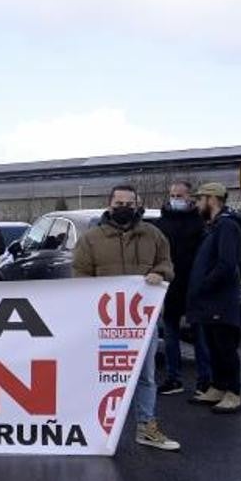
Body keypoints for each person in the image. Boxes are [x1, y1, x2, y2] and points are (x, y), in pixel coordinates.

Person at [72, 184, 179, 451]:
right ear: (110, 205)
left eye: (129, 204)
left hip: (143, 323)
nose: (124, 208)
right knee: (100, 376)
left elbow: (167, 265)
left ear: (137, 205)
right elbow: (79, 275)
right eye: (119, 203)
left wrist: (160, 273)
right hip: (103, 324)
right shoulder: (90, 239)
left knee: (145, 376)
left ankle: (146, 426)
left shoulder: (153, 235)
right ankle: (92, 429)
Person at [185, 183, 241, 413]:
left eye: (200, 200)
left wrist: (203, 285)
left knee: (225, 348)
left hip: (221, 300)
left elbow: (226, 264)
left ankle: (234, 392)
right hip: (209, 302)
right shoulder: (214, 226)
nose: (198, 204)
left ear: (212, 199)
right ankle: (218, 387)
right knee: (213, 346)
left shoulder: (227, 226)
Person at [157, 181, 211, 395]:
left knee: (200, 336)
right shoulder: (161, 224)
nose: (175, 199)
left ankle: (205, 380)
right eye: (172, 195)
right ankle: (173, 379)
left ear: (190, 197)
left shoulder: (200, 224)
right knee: (170, 335)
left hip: (195, 286)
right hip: (170, 287)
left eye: (180, 195)